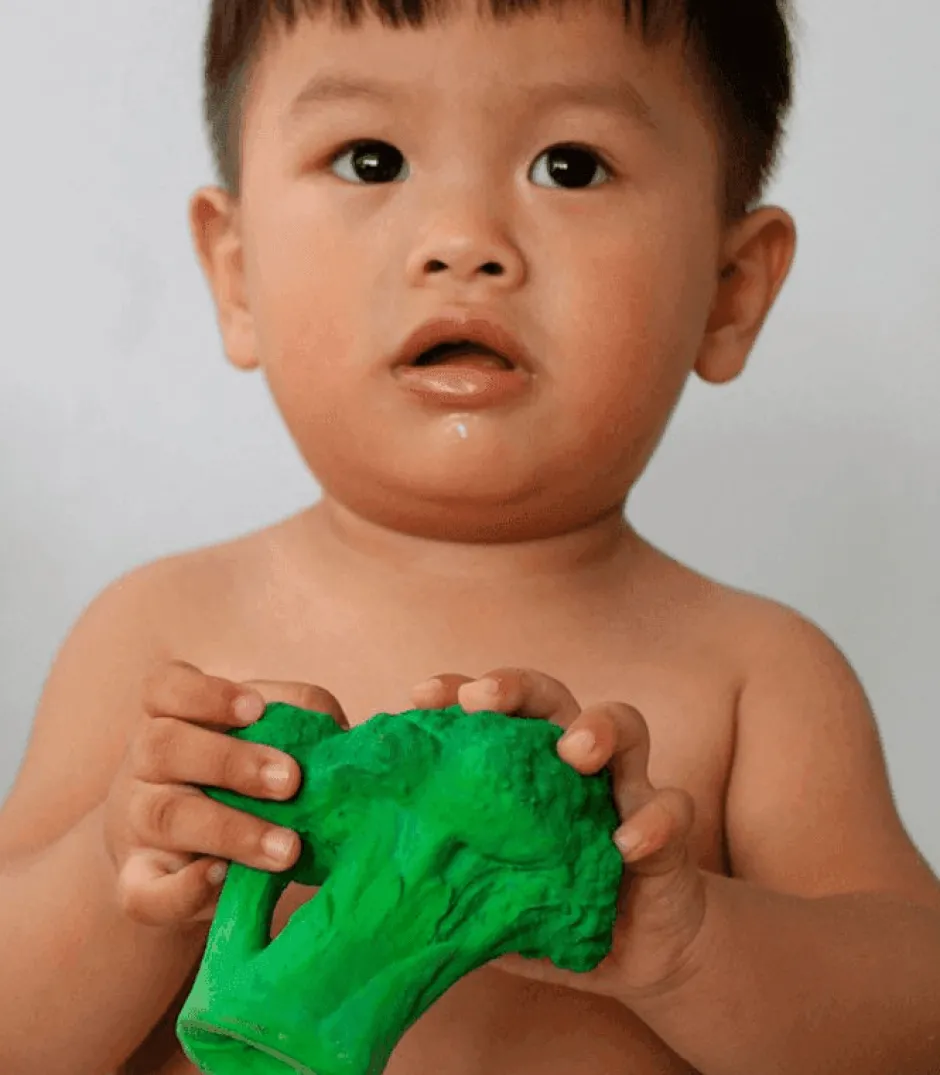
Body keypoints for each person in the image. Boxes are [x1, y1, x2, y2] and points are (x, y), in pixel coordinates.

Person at [2, 0, 939, 1072]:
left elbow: (919, 1018)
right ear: (236, 269)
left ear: (729, 293)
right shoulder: (157, 638)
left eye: (570, 166)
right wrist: (115, 882)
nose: (463, 242)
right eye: (370, 159)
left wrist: (692, 947)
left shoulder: (757, 675)